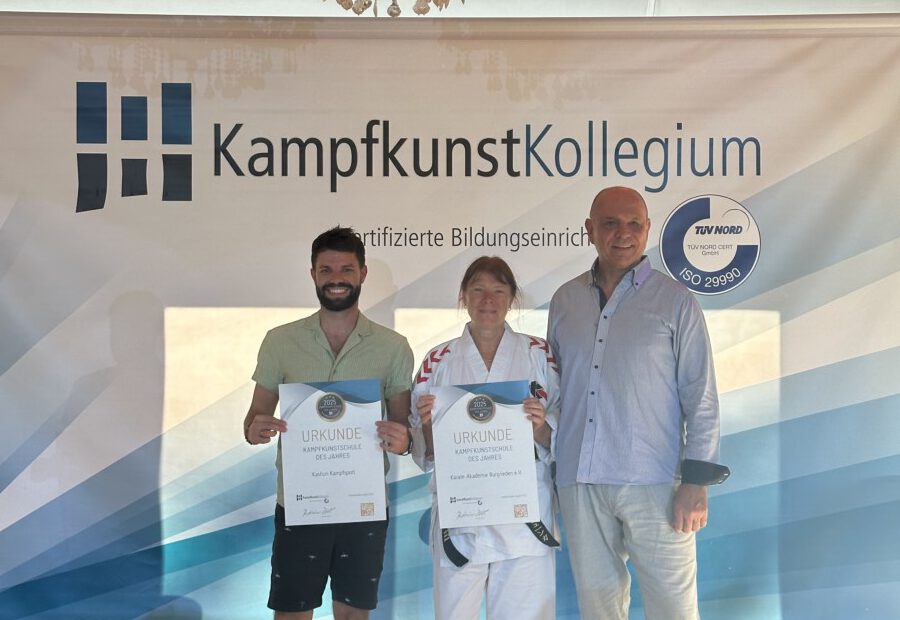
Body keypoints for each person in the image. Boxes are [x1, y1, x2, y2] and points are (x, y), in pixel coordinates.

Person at [548, 187, 730, 620]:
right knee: (599, 611)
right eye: (610, 223)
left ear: (648, 229)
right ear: (590, 230)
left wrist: (697, 482)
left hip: (656, 482)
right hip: (580, 481)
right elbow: (553, 391)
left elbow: (700, 394)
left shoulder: (676, 301)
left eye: (634, 224)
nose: (623, 234)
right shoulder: (564, 300)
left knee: (674, 611)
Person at [242, 226, 414, 620]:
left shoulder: (393, 347)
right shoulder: (279, 341)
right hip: (300, 503)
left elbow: (403, 430)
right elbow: (253, 420)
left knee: (353, 615)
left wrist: (402, 440)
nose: (336, 278)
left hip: (363, 506)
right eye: (326, 270)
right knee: (291, 614)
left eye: (346, 269)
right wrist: (255, 430)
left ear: (363, 273)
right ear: (313, 275)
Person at [409, 256, 560, 620]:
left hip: (524, 518)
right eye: (478, 290)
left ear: (512, 298)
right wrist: (428, 424)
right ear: (463, 296)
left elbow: (565, 426)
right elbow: (424, 450)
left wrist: (541, 426)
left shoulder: (540, 354)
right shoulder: (436, 361)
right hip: (461, 518)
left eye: (498, 290)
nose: (487, 300)